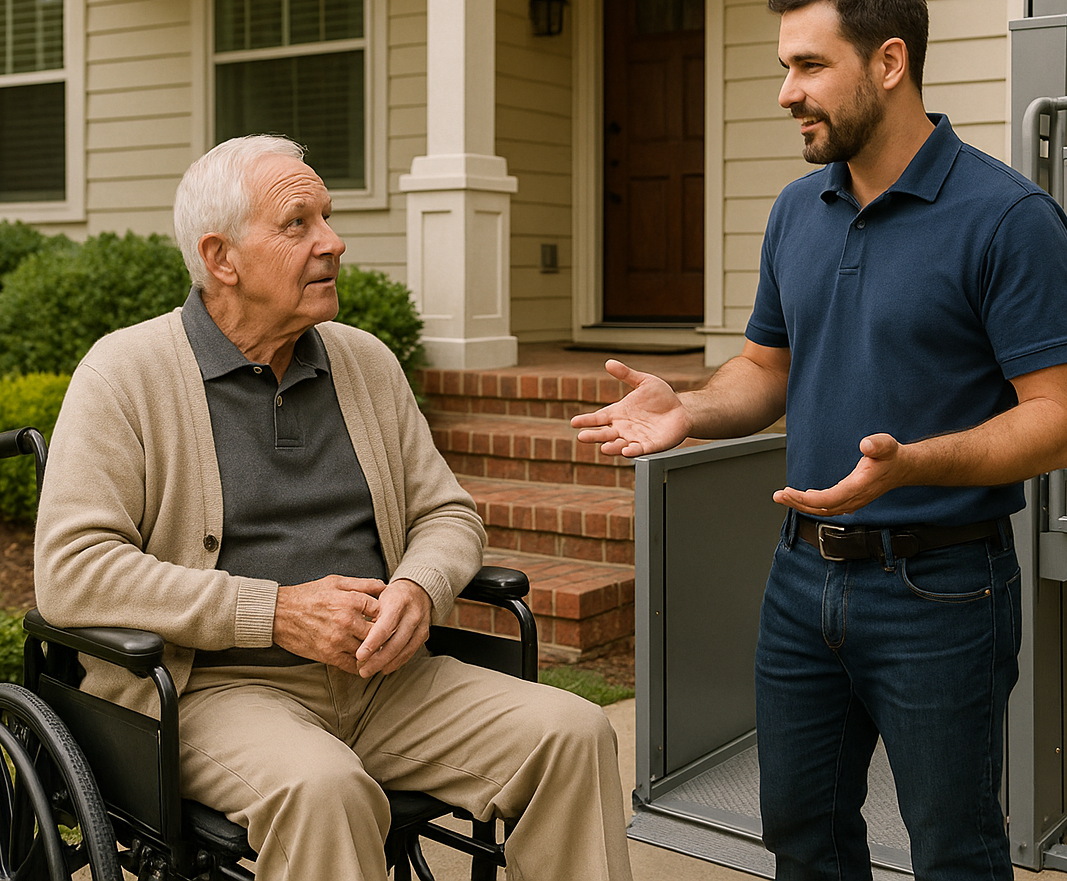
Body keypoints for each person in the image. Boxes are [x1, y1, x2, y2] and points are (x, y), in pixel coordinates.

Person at [573, 0, 1067, 880]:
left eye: (810, 66)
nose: (786, 93)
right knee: (802, 833)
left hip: (942, 590)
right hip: (800, 581)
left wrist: (913, 464)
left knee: (956, 849)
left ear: (889, 62)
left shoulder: (1008, 217)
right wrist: (688, 410)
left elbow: (1061, 422)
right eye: (786, 68)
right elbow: (765, 371)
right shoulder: (795, 212)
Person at [34, 135, 634, 881]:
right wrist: (275, 612)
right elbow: (73, 573)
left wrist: (420, 586)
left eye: (328, 216)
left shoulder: (364, 362)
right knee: (325, 790)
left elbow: (448, 514)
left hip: (386, 682)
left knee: (571, 732)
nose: (334, 241)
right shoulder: (126, 374)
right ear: (221, 258)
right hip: (214, 690)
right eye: (299, 224)